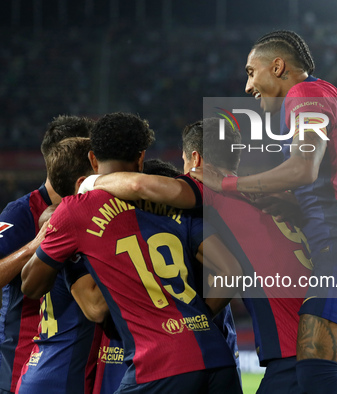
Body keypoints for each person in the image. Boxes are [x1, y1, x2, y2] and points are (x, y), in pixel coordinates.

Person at [191, 30, 337, 394]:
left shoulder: (305, 94)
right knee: (324, 379)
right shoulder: (332, 97)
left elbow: (304, 167)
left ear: (278, 65)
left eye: (251, 72)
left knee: (316, 376)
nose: (247, 86)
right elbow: (329, 182)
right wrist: (290, 201)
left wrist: (227, 183)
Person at [21, 112, 243, 394]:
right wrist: (195, 319)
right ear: (141, 158)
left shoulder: (76, 209)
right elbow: (232, 272)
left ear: (92, 159)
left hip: (158, 362)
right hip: (217, 356)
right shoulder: (177, 204)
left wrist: (59, 247)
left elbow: (31, 285)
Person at [88, 118, 314, 392]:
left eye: (184, 161)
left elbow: (138, 186)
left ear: (195, 158)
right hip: (328, 330)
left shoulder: (209, 189)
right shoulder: (270, 191)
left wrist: (90, 183)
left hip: (293, 345)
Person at [0, 115, 94, 394]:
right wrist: (33, 246)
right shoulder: (22, 212)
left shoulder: (89, 208)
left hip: (63, 370)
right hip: (14, 371)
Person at [16, 137, 108, 394]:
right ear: (83, 183)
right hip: (61, 380)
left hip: (41, 370)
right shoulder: (76, 234)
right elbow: (96, 308)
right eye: (102, 176)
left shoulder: (59, 226)